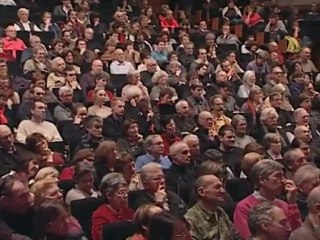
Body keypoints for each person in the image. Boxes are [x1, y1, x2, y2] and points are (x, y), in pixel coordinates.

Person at [234, 159, 301, 239]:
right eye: (277, 176)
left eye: (283, 176)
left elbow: (297, 233)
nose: (283, 180)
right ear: (262, 180)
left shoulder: (284, 204)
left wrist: (292, 202)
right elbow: (247, 237)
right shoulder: (244, 206)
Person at [185, 174, 242, 240]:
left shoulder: (220, 211)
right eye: (217, 187)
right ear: (201, 192)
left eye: (222, 187)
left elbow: (236, 236)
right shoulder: (190, 219)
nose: (223, 191)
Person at [91, 172, 134, 240]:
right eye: (121, 192)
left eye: (126, 192)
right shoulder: (99, 215)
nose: (126, 196)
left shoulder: (128, 210)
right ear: (108, 195)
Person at [0, 175, 34, 239]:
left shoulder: (29, 209)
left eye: (28, 194)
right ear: (4, 201)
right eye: (22, 196)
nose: (29, 200)